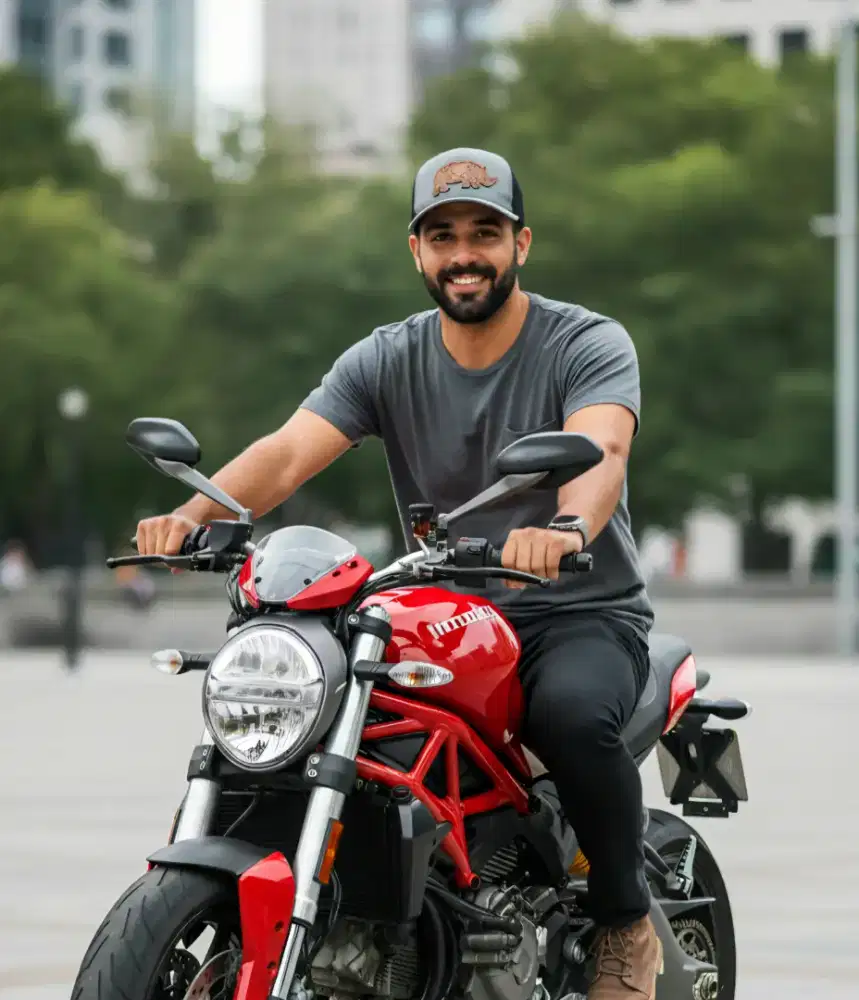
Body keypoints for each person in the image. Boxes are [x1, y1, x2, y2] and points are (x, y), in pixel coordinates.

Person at [136, 147, 660, 999]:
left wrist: (565, 526)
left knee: (571, 718)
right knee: (315, 719)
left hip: (574, 610)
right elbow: (286, 452)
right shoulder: (385, 357)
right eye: (442, 235)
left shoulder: (586, 341)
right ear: (415, 253)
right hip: (440, 610)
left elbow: (601, 446)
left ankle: (622, 921)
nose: (464, 253)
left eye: (484, 232)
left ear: (520, 243)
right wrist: (195, 515)